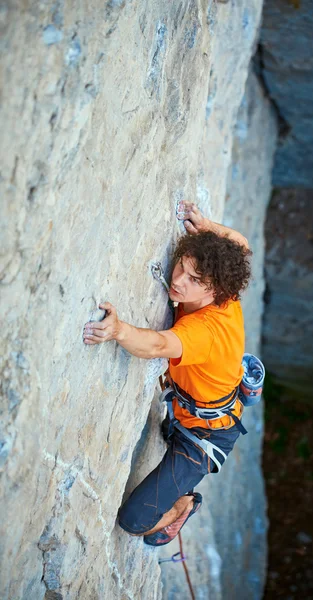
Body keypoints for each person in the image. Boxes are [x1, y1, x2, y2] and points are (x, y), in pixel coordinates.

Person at [83, 201, 252, 546]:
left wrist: (118, 331)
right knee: (167, 429)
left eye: (193, 279)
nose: (177, 280)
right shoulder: (225, 285)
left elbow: (159, 345)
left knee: (134, 523)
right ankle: (175, 432)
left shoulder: (205, 331)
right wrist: (207, 227)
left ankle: (186, 505)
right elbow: (242, 244)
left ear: (214, 290)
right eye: (181, 267)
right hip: (196, 410)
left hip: (205, 438)